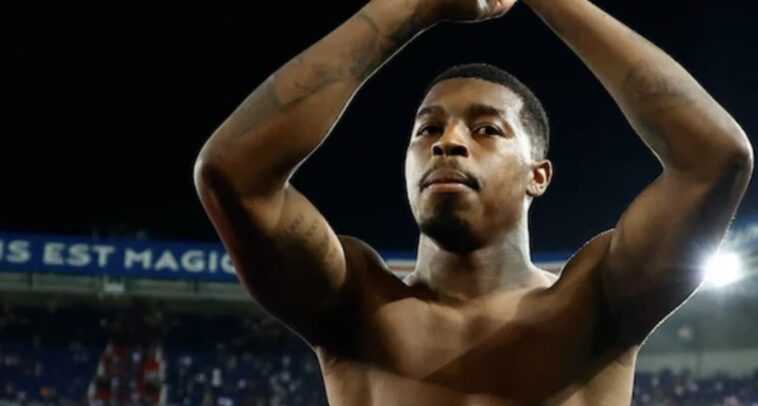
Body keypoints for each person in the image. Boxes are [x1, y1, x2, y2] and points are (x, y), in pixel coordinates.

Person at [193, 0, 753, 404]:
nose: (448, 141)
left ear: (538, 176)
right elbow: (231, 173)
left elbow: (715, 158)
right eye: (426, 129)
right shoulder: (353, 303)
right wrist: (412, 6)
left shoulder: (596, 301)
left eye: (487, 129)